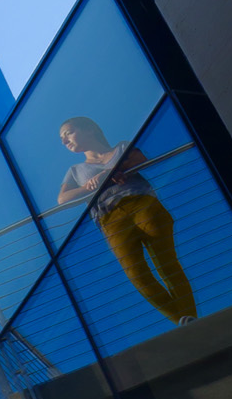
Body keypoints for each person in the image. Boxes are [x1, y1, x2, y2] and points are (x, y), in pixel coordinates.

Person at [57, 115, 197, 324]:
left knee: (166, 262)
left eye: (68, 133)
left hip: (141, 204)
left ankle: (189, 316)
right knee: (136, 274)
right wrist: (89, 186)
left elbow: (141, 160)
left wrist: (111, 171)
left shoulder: (121, 148)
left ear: (90, 130)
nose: (65, 141)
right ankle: (182, 319)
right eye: (62, 139)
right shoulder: (75, 171)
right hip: (110, 220)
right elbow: (62, 199)